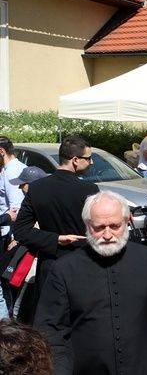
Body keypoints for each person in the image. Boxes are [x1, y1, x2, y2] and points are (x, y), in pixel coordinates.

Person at [34, 191, 147, 374]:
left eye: (115, 226)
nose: (107, 235)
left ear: (127, 221)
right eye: (99, 227)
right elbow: (51, 332)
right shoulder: (64, 269)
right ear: (87, 226)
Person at [13, 136, 100, 324]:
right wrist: (58, 239)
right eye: (89, 158)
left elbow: (20, 230)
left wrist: (54, 239)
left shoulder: (37, 188)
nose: (92, 162)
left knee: (53, 321)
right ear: (75, 160)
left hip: (50, 265)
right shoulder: (89, 189)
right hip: (82, 263)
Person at [0, 136, 25, 247]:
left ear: (1, 151)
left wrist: (14, 236)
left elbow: (16, 207)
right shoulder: (19, 167)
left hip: (8, 234)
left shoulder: (11, 172)